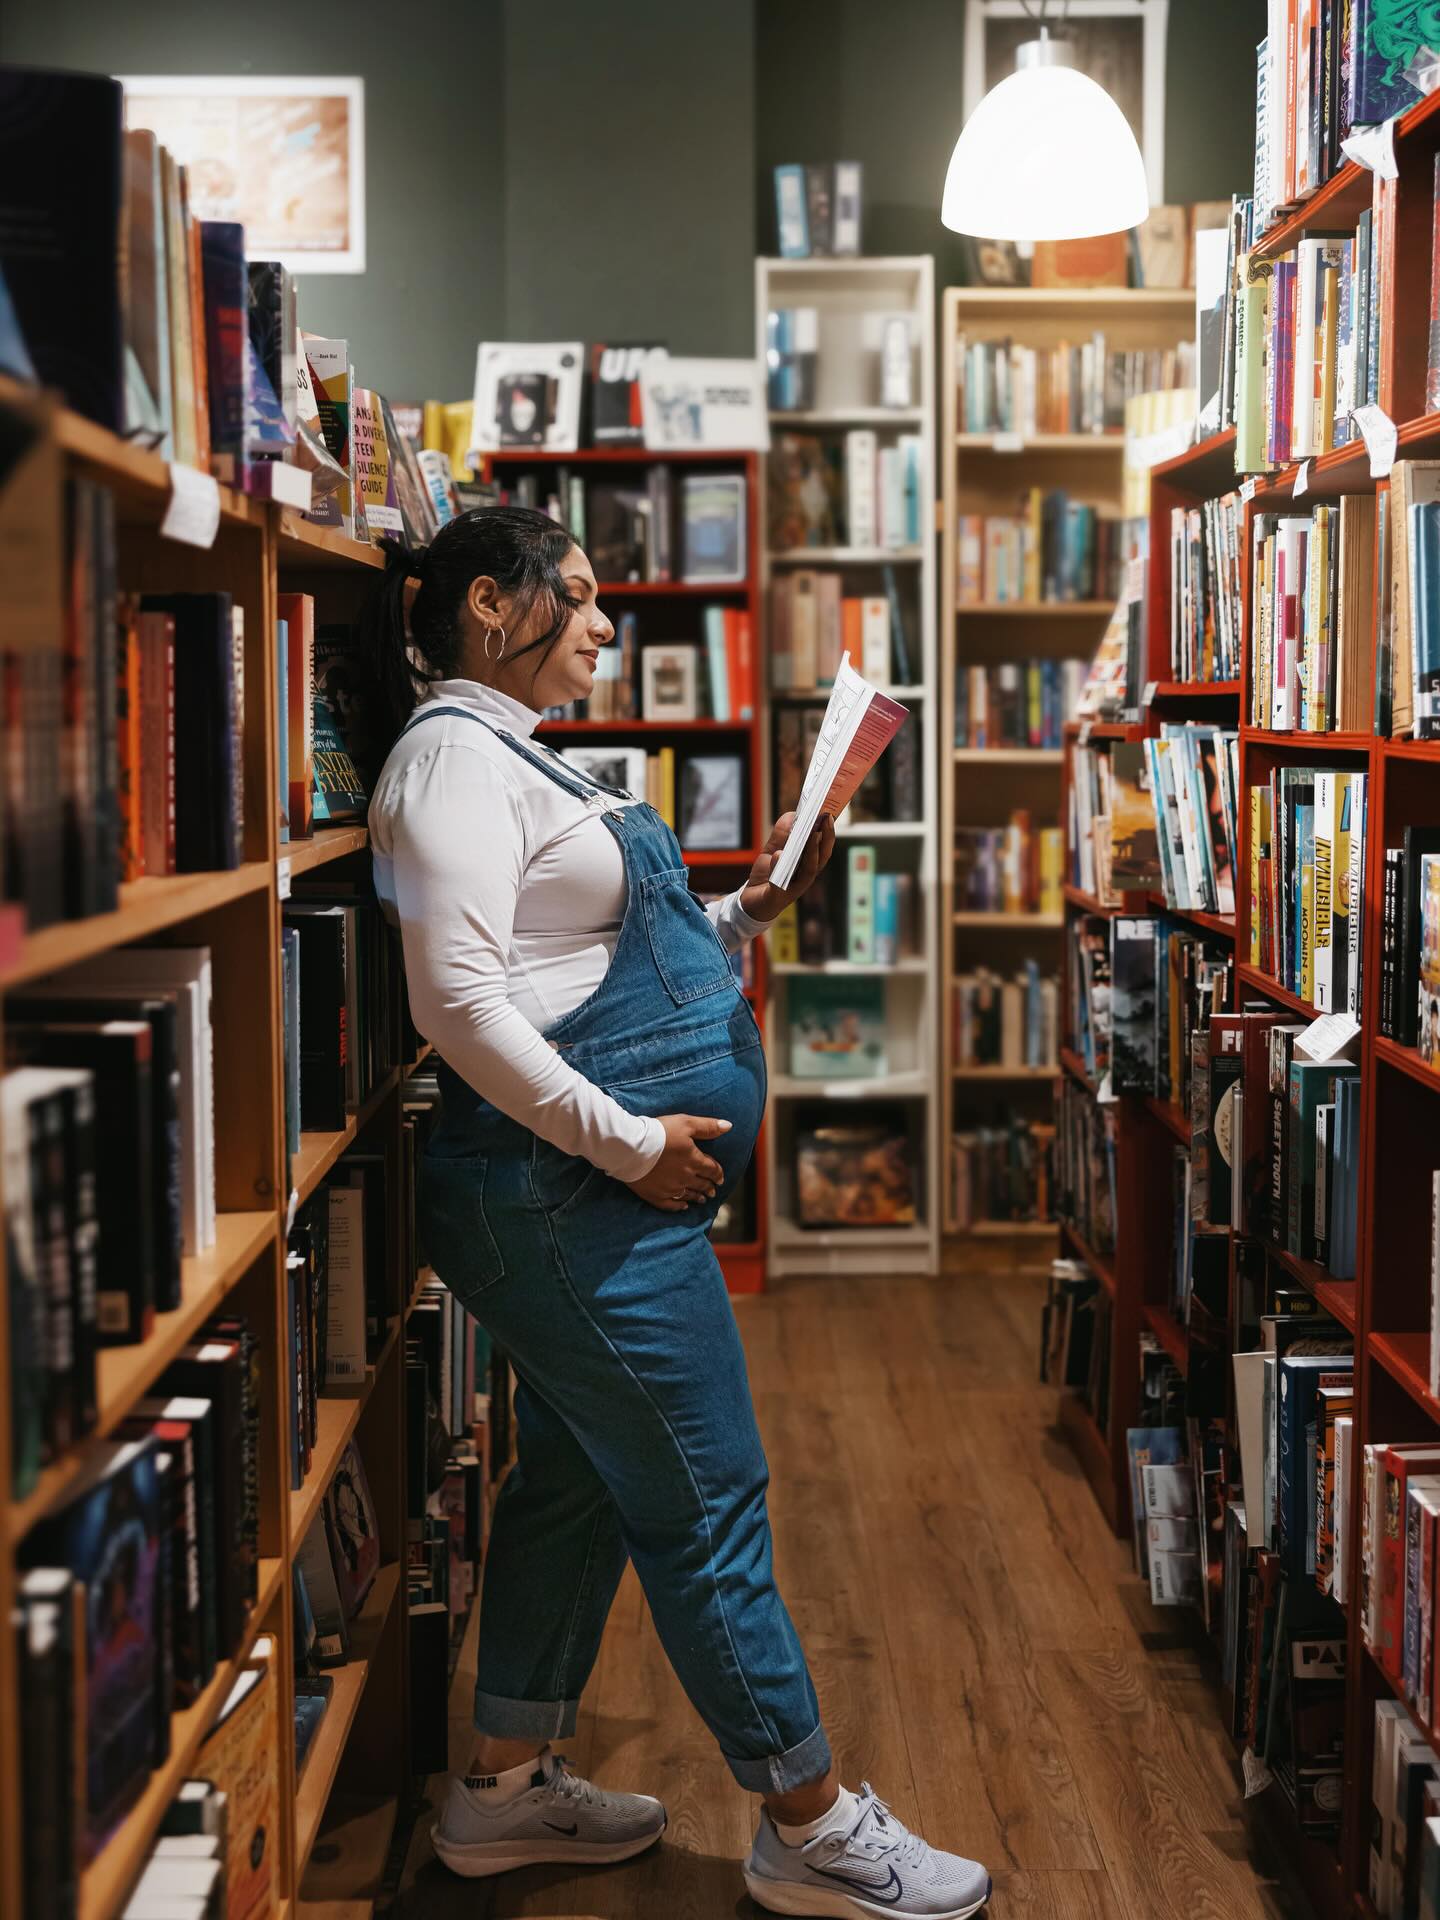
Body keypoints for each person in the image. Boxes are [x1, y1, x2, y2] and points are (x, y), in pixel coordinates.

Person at [365, 505, 991, 1920]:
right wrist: (635, 1143)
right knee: (708, 1503)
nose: (601, 625)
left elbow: (575, 964)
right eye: (574, 600)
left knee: (579, 1482)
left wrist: (749, 909)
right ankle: (807, 1821)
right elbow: (457, 1005)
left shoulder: (517, 756)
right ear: (484, 604)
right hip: (568, 1199)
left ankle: (502, 1792)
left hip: (586, 1196)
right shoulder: (452, 762)